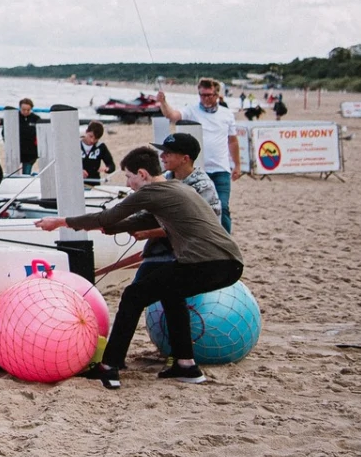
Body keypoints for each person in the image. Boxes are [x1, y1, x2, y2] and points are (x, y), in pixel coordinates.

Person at [39, 145, 244, 388]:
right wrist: (111, 228)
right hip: (230, 264)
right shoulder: (176, 188)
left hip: (206, 263)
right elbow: (142, 220)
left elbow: (106, 217)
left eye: (129, 177)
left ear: (142, 174)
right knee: (171, 294)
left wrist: (61, 221)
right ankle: (186, 365)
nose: (128, 184)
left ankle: (109, 367)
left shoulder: (151, 192)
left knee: (133, 295)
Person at [156, 77, 243, 231]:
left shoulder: (227, 114)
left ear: (217, 95)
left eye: (209, 95)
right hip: (198, 168)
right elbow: (173, 116)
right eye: (202, 95)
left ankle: (225, 240)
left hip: (220, 168)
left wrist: (237, 165)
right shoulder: (192, 110)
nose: (205, 98)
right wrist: (163, 102)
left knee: (223, 207)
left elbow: (232, 141)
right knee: (197, 207)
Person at [131, 132, 221, 270]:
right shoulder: (163, 180)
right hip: (162, 250)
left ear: (185, 159)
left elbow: (192, 228)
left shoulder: (203, 187)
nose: (162, 156)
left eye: (168, 153)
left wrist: (149, 233)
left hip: (195, 254)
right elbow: (145, 212)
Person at [15, 98, 39, 174]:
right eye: (23, 109)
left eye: (28, 110)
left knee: (26, 173)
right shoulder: (14, 117)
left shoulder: (36, 119)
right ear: (20, 108)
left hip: (30, 153)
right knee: (13, 172)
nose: (25, 112)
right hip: (16, 151)